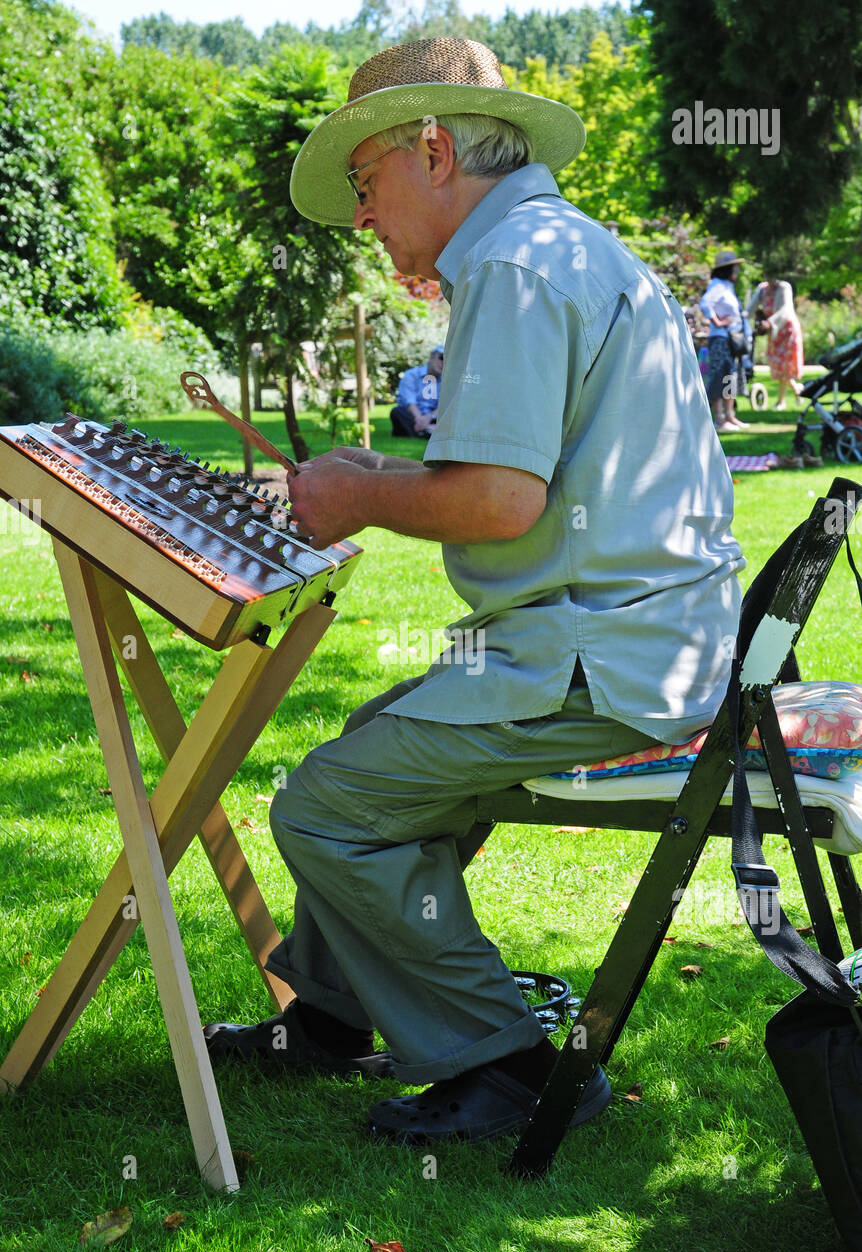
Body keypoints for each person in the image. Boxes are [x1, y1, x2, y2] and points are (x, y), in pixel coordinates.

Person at [204, 37, 745, 1144]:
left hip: (604, 655)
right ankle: (332, 1017)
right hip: (643, 637)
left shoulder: (514, 265)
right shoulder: (555, 246)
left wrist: (356, 496)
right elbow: (520, 479)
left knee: (325, 806)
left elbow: (500, 501)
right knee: (377, 740)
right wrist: (372, 477)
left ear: (435, 149)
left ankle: (504, 1063)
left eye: (365, 183)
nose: (362, 218)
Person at [699, 249, 747, 432]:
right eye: (735, 268)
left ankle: (730, 415)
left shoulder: (728, 286)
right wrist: (717, 321)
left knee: (730, 376)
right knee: (719, 374)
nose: (737, 271)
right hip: (719, 338)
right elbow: (705, 303)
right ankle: (719, 417)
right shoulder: (717, 285)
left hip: (730, 339)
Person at [748, 274, 804, 408]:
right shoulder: (762, 289)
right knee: (778, 367)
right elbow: (751, 308)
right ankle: (798, 391)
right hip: (774, 333)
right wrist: (742, 319)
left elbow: (786, 309)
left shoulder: (784, 287)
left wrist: (769, 322)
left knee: (785, 366)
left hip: (787, 331)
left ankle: (781, 402)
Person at [390, 347, 444, 437]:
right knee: (397, 412)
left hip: (434, 416)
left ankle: (417, 431)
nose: (443, 363)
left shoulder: (447, 380)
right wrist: (420, 419)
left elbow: (444, 405)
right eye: (441, 358)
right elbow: (410, 402)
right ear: (431, 357)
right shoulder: (411, 375)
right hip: (413, 415)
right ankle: (428, 430)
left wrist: (430, 417)